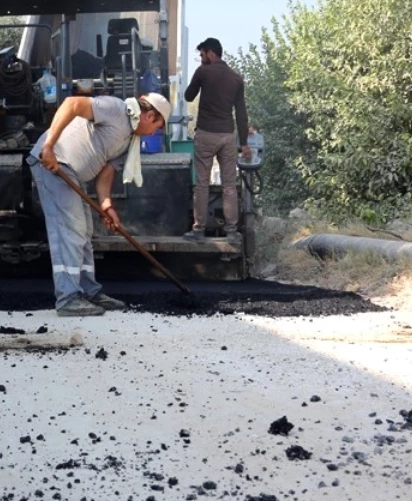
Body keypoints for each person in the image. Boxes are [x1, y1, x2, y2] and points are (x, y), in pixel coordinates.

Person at [31, 92, 172, 316]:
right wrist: (48, 146)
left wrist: (107, 207)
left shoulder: (128, 142)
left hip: (73, 176)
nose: (154, 133)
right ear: (150, 116)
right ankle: (68, 298)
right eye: (157, 126)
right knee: (71, 230)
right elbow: (72, 103)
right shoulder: (115, 109)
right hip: (53, 164)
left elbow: (105, 176)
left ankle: (88, 292)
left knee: (85, 232)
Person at [184, 38, 250, 237]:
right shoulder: (236, 78)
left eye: (202, 55)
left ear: (211, 53)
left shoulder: (203, 72)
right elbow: (241, 114)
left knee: (202, 185)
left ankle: (198, 230)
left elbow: (188, 96)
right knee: (229, 185)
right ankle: (231, 231)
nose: (201, 59)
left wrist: (199, 80)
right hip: (228, 136)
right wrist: (244, 143)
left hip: (206, 134)